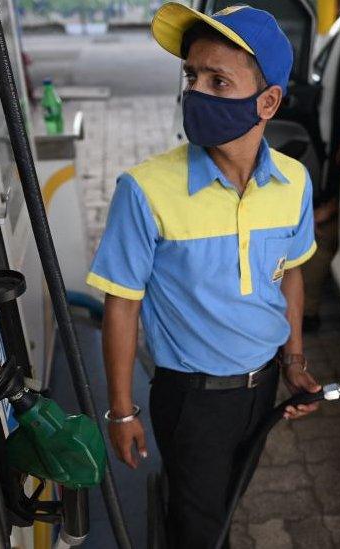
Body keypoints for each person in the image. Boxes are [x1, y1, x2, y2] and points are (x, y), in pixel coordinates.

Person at [86, 3, 321, 547]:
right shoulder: (144, 190)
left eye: (219, 80)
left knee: (228, 499)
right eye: (192, 76)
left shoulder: (294, 182)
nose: (197, 93)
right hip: (190, 399)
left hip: (261, 387)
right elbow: (122, 303)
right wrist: (121, 412)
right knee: (198, 527)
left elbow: (290, 277)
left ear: (268, 102)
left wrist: (294, 362)